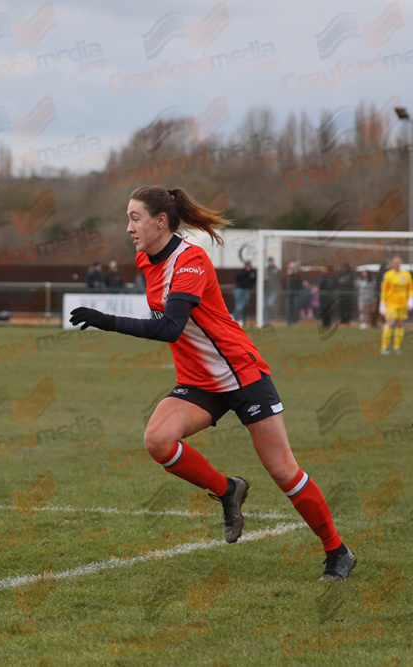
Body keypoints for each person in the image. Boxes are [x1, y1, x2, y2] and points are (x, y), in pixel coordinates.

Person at [69, 185, 355, 581]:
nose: (129, 227)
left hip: (241, 373)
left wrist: (106, 320)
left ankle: (337, 551)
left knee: (282, 470)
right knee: (158, 441)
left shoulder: (191, 261)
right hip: (199, 381)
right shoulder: (145, 258)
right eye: (128, 218)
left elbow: (171, 328)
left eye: (135, 218)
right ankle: (228, 490)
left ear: (161, 221)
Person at [379, 256, 413, 354]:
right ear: (392, 264)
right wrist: (382, 303)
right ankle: (384, 347)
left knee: (400, 324)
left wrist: (410, 299)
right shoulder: (388, 275)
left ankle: (396, 347)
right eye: (395, 262)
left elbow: (410, 288)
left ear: (401, 263)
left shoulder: (406, 275)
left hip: (402, 304)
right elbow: (384, 290)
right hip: (391, 304)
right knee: (391, 322)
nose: (397, 264)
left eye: (399, 262)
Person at [232, 260, 256, 326]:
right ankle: (235, 317)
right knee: (239, 305)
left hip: (247, 290)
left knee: (244, 305)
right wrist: (246, 272)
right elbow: (237, 277)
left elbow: (253, 281)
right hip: (239, 290)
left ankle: (236, 317)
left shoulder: (252, 273)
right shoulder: (242, 272)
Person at [284, 261, 302, 326]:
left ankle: (295, 321)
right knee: (289, 308)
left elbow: (300, 283)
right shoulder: (287, 273)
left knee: (295, 308)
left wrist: (298, 291)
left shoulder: (298, 274)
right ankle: (289, 322)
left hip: (296, 294)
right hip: (289, 294)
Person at [264, 257, 281, 324]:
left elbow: (280, 278)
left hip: (273, 290)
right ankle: (266, 320)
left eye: (271, 261)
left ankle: (270, 319)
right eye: (269, 261)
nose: (270, 263)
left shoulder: (276, 270)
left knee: (270, 304)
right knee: (265, 306)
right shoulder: (265, 270)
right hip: (266, 290)